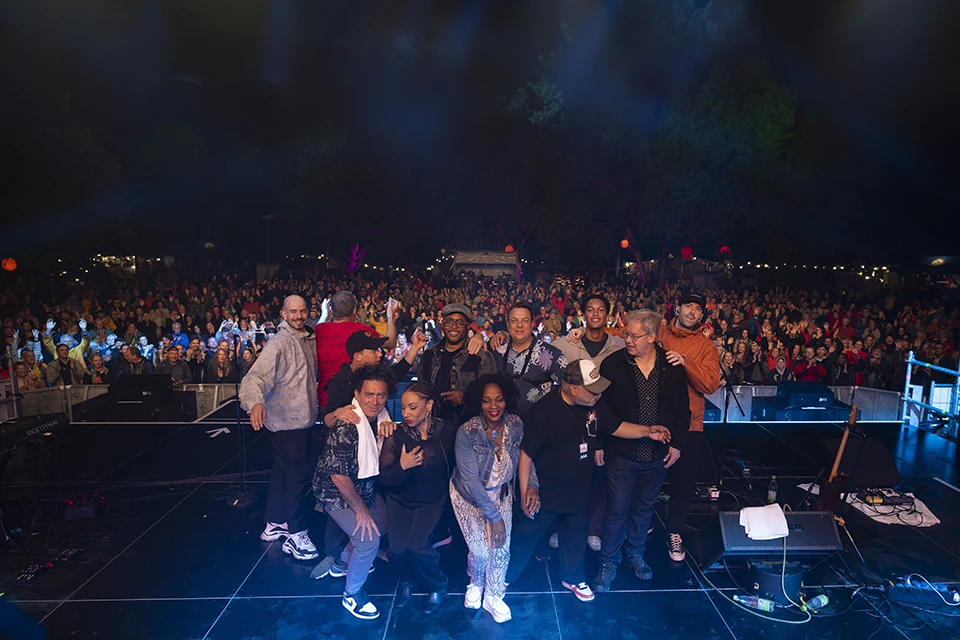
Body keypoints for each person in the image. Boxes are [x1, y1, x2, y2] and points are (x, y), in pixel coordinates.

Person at [506, 359, 674, 602]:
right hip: (546, 492)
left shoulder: (594, 404)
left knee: (575, 539)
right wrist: (526, 490)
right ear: (573, 388)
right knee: (526, 537)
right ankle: (504, 577)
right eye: (593, 389)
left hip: (577, 490)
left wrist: (647, 431)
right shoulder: (544, 411)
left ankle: (572, 578)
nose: (599, 394)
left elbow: (616, 427)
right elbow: (526, 454)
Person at [592, 310, 691, 590]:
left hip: (657, 456)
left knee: (644, 509)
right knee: (616, 510)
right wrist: (599, 443)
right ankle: (608, 561)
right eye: (626, 334)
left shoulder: (672, 367)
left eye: (635, 336)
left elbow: (683, 410)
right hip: (621, 453)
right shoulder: (613, 364)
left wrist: (678, 446)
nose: (628, 340)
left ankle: (634, 555)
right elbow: (600, 409)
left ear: (652, 337)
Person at [239, 295, 319, 561]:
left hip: (301, 420)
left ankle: (274, 523)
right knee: (297, 477)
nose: (298, 315)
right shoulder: (280, 342)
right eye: (293, 311)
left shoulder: (307, 337)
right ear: (283, 314)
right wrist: (254, 403)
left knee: (283, 473)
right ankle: (296, 535)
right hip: (287, 422)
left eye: (302, 310)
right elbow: (256, 376)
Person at [312, 365, 394, 621]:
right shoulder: (347, 426)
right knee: (369, 540)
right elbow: (338, 477)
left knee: (384, 520)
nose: (375, 401)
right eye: (369, 395)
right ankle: (352, 594)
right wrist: (361, 511)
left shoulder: (382, 419)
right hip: (334, 492)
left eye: (381, 395)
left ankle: (341, 564)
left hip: (363, 486)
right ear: (357, 395)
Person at [449, 374, 525, 624]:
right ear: (478, 403)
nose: (494, 406)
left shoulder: (515, 424)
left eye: (499, 400)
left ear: (507, 400)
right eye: (487, 401)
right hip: (469, 498)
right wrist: (495, 518)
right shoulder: (467, 432)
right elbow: (471, 482)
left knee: (501, 549)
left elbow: (526, 459)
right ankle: (476, 581)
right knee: (481, 551)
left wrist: (530, 485)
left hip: (502, 493)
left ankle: (493, 595)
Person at [378, 382, 457, 613]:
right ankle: (407, 581)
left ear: (429, 405)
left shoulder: (449, 430)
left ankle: (438, 585)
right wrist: (402, 466)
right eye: (403, 408)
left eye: (412, 407)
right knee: (399, 549)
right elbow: (384, 479)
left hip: (432, 500)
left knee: (418, 546)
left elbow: (458, 463)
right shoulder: (396, 435)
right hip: (399, 499)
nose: (406, 414)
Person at [557, 293, 627, 552]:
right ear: (583, 314)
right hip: (573, 419)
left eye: (600, 310)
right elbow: (541, 348)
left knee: (600, 474)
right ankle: (561, 528)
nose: (595, 314)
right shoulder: (568, 343)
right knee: (569, 474)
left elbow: (648, 343)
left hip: (606, 418)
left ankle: (594, 529)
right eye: (590, 309)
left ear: (607, 315)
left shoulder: (619, 344)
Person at [656, 292, 720, 564]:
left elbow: (710, 384)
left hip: (690, 426)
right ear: (677, 308)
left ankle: (675, 532)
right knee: (646, 480)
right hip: (653, 421)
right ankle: (642, 527)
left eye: (697, 309)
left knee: (683, 487)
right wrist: (580, 332)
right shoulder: (658, 331)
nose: (692, 312)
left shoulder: (706, 347)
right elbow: (626, 333)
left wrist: (686, 363)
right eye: (688, 306)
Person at [315, 291, 398, 408]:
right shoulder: (361, 330)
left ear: (331, 310)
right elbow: (390, 343)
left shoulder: (318, 330)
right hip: (356, 398)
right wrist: (390, 315)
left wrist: (324, 315)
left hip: (325, 398)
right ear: (354, 311)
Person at [418, 303, 497, 423]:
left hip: (469, 428)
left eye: (460, 322)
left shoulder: (481, 356)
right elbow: (421, 390)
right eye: (449, 321)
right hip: (433, 426)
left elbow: (492, 394)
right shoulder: (429, 355)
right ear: (443, 324)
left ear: (468, 326)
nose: (454, 327)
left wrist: (466, 397)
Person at [493, 302, 567, 420]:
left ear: (532, 323)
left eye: (525, 321)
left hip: (538, 428)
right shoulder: (496, 349)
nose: (519, 325)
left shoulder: (552, 354)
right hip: (500, 427)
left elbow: (569, 388)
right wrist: (478, 338)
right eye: (514, 321)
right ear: (507, 324)